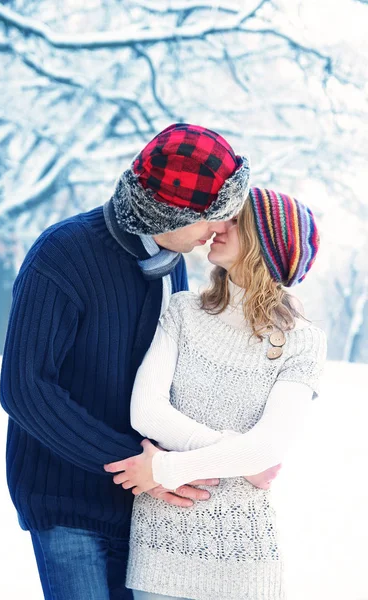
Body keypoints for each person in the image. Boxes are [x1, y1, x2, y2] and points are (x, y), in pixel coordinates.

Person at [0, 123, 265, 600]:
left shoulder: (172, 259)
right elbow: (25, 388)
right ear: (168, 214)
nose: (222, 228)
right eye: (214, 216)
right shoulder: (62, 255)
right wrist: (129, 460)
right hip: (68, 500)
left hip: (141, 502)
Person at [105, 187, 327, 600]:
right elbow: (146, 411)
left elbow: (269, 447)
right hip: (161, 545)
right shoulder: (182, 311)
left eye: (236, 220)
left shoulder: (302, 342)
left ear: (266, 244)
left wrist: (165, 470)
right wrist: (238, 455)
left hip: (243, 558)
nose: (218, 225)